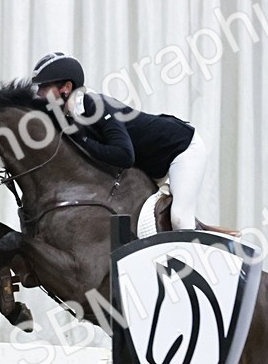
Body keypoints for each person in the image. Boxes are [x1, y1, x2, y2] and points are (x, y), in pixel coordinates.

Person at [30, 52, 228, 234]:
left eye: (44, 87)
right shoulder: (68, 116)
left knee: (179, 219)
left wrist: (82, 140)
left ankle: (192, 268)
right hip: (152, 164)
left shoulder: (94, 106)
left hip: (182, 149)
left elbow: (124, 155)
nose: (39, 94)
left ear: (66, 88)